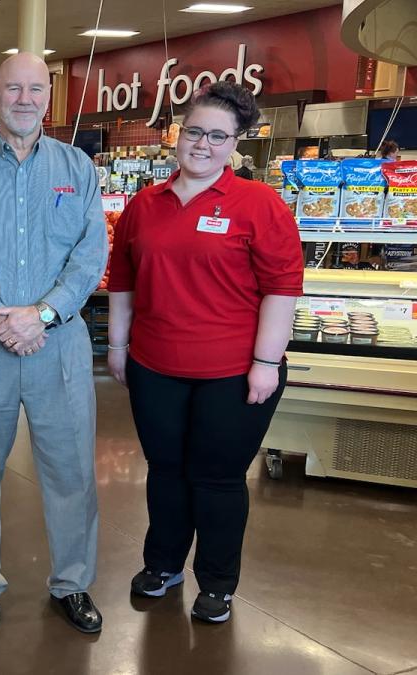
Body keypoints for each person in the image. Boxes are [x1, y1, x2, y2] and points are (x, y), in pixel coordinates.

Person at [106, 82, 303, 624]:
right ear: (177, 134)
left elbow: (283, 287)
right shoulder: (145, 205)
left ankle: (216, 582)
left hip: (234, 373)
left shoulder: (259, 204)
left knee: (216, 479)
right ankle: (163, 564)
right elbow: (122, 279)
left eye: (218, 136)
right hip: (154, 365)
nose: (203, 144)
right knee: (165, 471)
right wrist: (119, 347)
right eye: (194, 131)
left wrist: (266, 363)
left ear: (234, 143)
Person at [0, 53, 108, 634]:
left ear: (48, 97)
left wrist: (44, 314)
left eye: (36, 89)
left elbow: (90, 256)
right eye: (14, 88)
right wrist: (0, 318)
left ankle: (72, 583)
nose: (24, 99)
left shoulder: (77, 168)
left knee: (72, 469)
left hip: (60, 343)